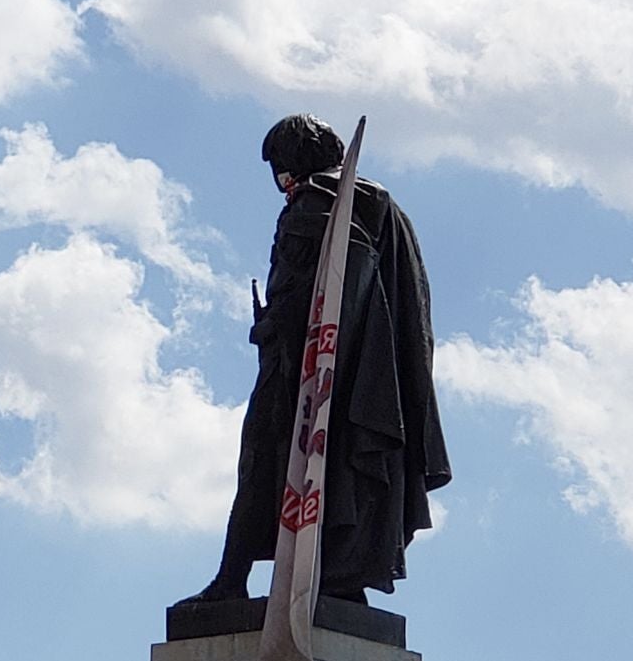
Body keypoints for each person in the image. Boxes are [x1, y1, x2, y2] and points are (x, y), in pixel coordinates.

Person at [182, 114, 450, 606]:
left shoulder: (311, 204)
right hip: (369, 382)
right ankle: (338, 578)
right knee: (340, 470)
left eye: (281, 170)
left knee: (264, 460)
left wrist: (263, 327)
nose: (282, 183)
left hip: (299, 373)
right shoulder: (384, 207)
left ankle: (231, 581)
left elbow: (296, 298)